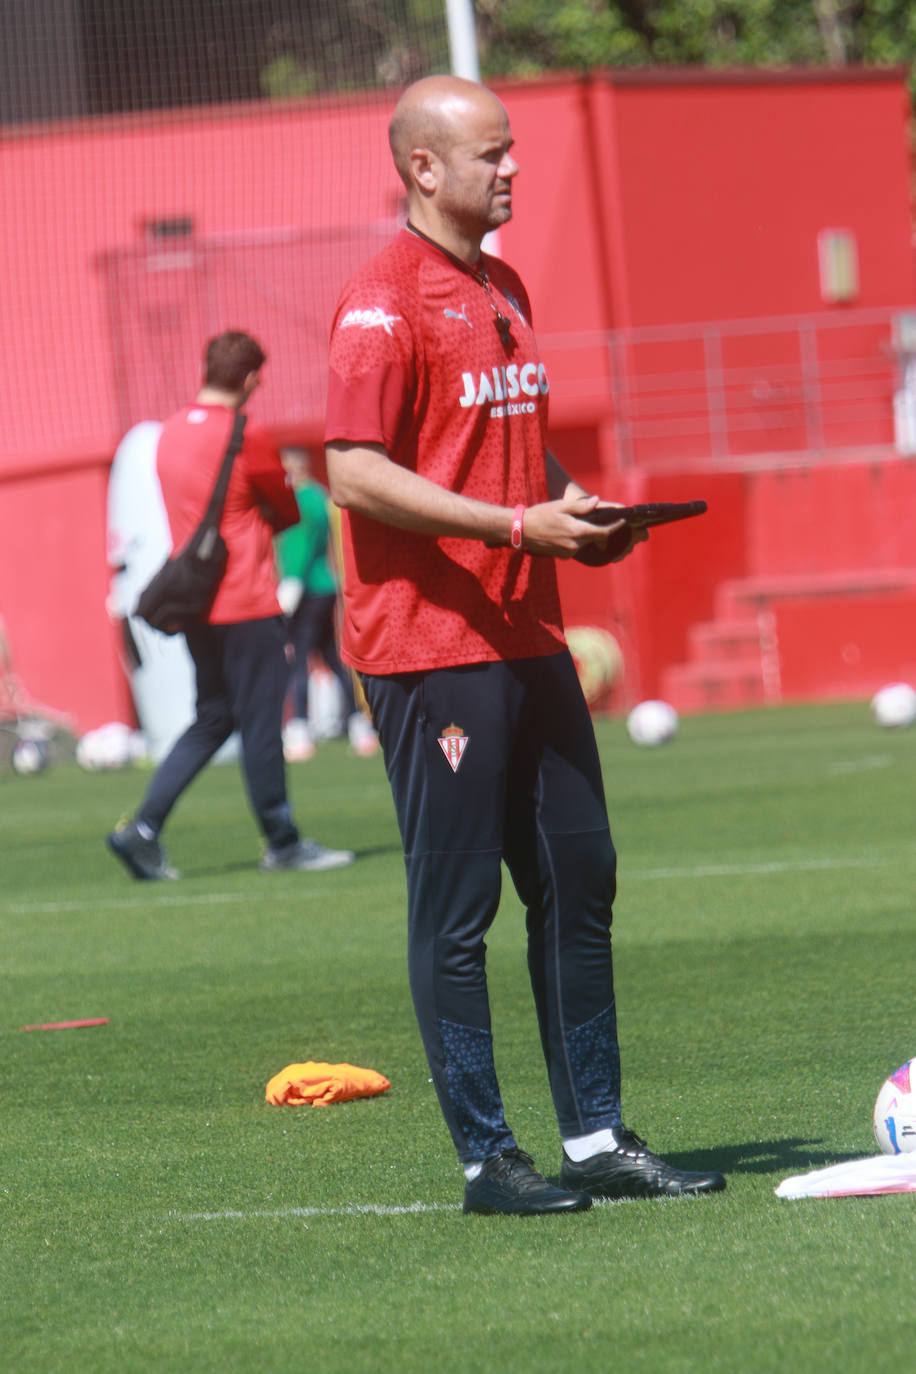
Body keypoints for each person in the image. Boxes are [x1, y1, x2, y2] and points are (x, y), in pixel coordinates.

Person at [324, 76, 725, 1215]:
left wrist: (573, 510)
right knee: (458, 910)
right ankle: (485, 1161)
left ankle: (594, 1140)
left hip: (526, 629)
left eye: (512, 152)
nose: (510, 171)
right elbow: (351, 472)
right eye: (490, 155)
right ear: (423, 169)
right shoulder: (379, 303)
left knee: (578, 875)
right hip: (427, 646)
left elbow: (500, 452)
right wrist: (512, 526)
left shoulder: (502, 283)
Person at [107, 330, 355, 880]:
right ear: (249, 379)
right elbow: (286, 510)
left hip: (197, 605)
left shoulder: (169, 433)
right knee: (262, 721)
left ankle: (142, 829)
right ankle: (283, 841)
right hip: (246, 601)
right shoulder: (248, 434)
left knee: (214, 717)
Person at [274, 447, 378, 758]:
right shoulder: (320, 496)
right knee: (332, 659)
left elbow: (300, 545)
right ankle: (360, 725)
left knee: (299, 659)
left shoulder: (303, 499)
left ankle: (300, 730)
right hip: (323, 586)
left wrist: (290, 584)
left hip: (306, 589)